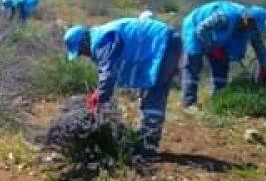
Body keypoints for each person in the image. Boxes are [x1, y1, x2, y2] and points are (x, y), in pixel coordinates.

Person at [64, 17, 183, 156]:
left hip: (163, 44)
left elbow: (108, 76)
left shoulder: (102, 42)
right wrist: (99, 93)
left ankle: (149, 144)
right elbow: (112, 73)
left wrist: (100, 102)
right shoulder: (101, 37)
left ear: (84, 42)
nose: (84, 55)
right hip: (164, 42)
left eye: (81, 51)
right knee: (150, 92)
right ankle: (147, 137)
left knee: (153, 94)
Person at [180, 0, 266, 107]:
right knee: (193, 65)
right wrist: (212, 47)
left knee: (221, 64)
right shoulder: (224, 17)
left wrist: (264, 66)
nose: (254, 29)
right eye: (254, 26)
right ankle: (189, 102)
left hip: (216, 38)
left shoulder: (251, 26)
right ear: (248, 20)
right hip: (195, 27)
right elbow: (201, 29)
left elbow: (260, 48)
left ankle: (218, 99)